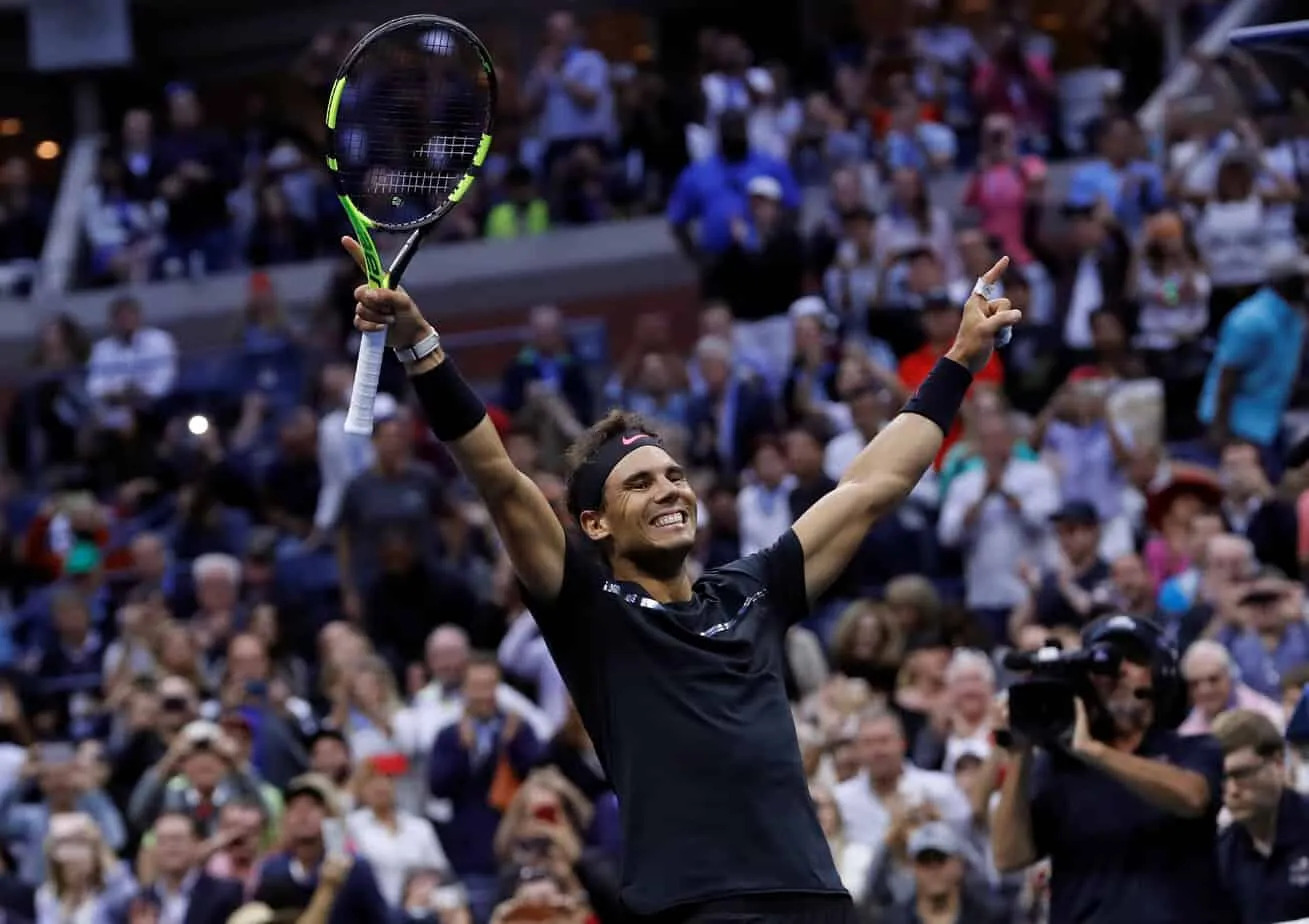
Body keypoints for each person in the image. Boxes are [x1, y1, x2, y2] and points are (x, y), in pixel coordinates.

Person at [344, 233, 1020, 923]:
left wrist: (961, 358)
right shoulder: (587, 606)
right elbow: (499, 480)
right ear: (596, 523)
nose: (670, 490)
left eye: (673, 475)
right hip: (688, 908)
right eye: (638, 484)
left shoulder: (751, 590)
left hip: (809, 899)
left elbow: (873, 485)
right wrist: (420, 346)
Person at [989, 614, 1232, 923]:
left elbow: (1193, 798)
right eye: (1104, 660)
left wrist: (1093, 750)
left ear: (1159, 674)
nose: (1118, 670)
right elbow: (1009, 857)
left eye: (1133, 659)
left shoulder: (1194, 748)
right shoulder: (1057, 767)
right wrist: (1020, 753)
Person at [1212, 708, 1309, 924]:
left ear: (1277, 763)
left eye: (1242, 774)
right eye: (1222, 778)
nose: (1232, 790)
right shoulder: (1222, 854)